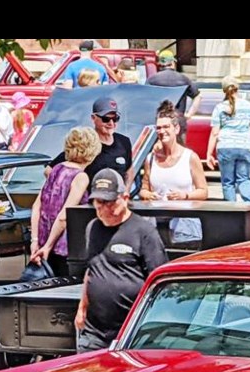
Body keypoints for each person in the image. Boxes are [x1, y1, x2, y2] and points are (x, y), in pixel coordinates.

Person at [74, 168, 167, 351]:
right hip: (94, 332)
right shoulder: (92, 228)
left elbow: (159, 281)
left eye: (109, 202)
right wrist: (82, 307)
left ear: (124, 198)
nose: (103, 209)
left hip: (131, 332)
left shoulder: (144, 232)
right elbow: (91, 270)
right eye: (98, 203)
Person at [29, 127, 102, 276]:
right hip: (64, 249)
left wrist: (35, 241)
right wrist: (48, 247)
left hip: (43, 243)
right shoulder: (80, 177)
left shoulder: (56, 169)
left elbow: (37, 206)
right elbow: (64, 216)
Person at [47, 97, 134, 189]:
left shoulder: (124, 141)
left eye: (115, 118)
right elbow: (50, 170)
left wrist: (126, 192)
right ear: (93, 118)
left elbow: (129, 170)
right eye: (106, 119)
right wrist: (70, 192)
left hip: (117, 200)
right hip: (90, 201)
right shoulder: (85, 142)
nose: (111, 123)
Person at [140, 101, 208, 202]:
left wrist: (185, 196)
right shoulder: (151, 159)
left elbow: (203, 192)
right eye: (158, 128)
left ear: (176, 129)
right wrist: (149, 195)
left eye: (166, 127)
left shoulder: (190, 157)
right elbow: (144, 190)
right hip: (157, 215)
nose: (162, 131)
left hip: (184, 216)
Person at [206, 75, 250, 202]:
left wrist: (209, 154)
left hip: (226, 146)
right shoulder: (249, 106)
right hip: (246, 146)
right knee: (244, 178)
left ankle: (232, 212)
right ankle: (249, 207)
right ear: (237, 88)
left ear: (224, 90)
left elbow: (214, 133)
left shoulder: (220, 108)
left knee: (228, 182)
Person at [147, 49, 201, 142]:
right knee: (179, 152)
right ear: (172, 63)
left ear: (160, 63)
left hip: (160, 123)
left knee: (160, 153)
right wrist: (189, 114)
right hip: (178, 123)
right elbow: (198, 96)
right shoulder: (184, 79)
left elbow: (144, 99)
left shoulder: (152, 80)